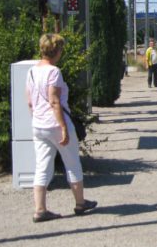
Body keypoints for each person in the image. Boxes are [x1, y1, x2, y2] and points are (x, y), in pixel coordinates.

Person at [26, 33, 97, 223]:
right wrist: (64, 127)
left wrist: (38, 120)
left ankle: (40, 210)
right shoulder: (54, 72)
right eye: (61, 49)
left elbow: (30, 102)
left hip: (39, 126)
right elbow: (55, 101)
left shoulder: (31, 71)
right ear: (56, 50)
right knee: (72, 163)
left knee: (42, 167)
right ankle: (80, 203)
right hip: (56, 125)